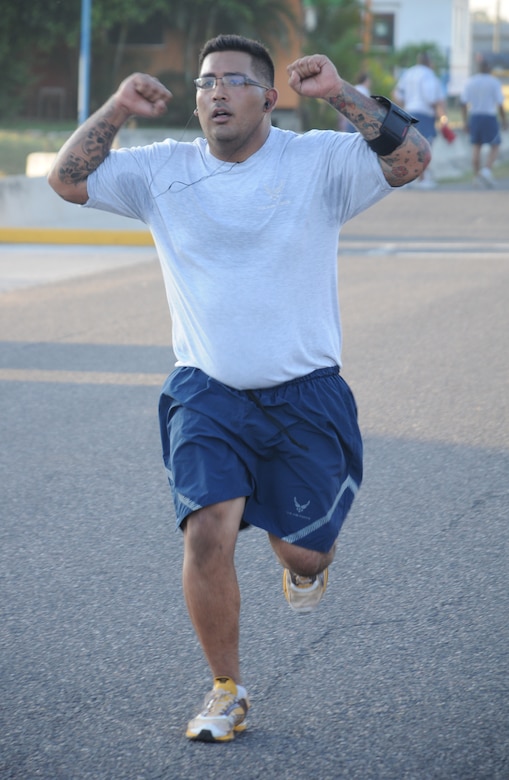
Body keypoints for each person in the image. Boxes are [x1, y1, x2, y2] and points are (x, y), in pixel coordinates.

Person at [48, 34, 430, 743]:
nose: (215, 92)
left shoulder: (315, 159)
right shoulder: (163, 171)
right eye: (203, 83)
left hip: (305, 393)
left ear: (268, 96)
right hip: (207, 390)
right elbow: (69, 179)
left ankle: (306, 564)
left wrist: (341, 94)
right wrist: (120, 106)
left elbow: (410, 159)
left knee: (302, 554)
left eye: (233, 80)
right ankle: (225, 689)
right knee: (206, 532)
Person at [393, 52, 446, 188]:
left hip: (409, 112)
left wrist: (403, 107)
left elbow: (396, 93)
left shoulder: (409, 73)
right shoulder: (429, 75)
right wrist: (441, 114)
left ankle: (406, 178)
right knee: (425, 146)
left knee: (409, 146)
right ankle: (422, 178)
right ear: (429, 62)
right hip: (424, 114)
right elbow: (431, 98)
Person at [461, 58, 507, 188]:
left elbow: (463, 103)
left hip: (475, 116)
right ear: (489, 69)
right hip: (489, 116)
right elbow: (500, 104)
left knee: (476, 146)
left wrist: (465, 121)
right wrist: (504, 121)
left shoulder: (470, 81)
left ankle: (476, 177)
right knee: (495, 145)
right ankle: (486, 170)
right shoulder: (494, 82)